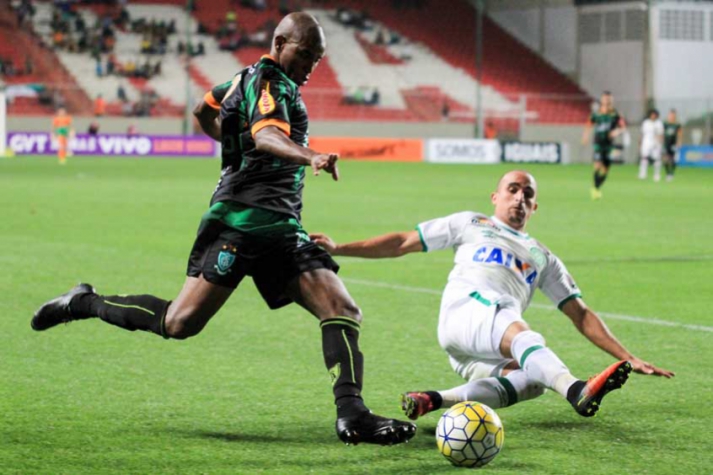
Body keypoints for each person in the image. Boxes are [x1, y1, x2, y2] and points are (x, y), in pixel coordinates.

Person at [32, 12, 416, 448]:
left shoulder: (241, 78)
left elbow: (202, 109)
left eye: (317, 59)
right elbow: (268, 134)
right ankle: (83, 302)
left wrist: (236, 154)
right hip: (241, 223)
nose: (311, 66)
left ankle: (354, 415)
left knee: (341, 308)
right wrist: (307, 155)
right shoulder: (270, 83)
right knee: (179, 323)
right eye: (304, 54)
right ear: (279, 42)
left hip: (282, 227)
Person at [311, 170, 674, 421]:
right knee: (524, 334)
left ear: (534, 208)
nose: (519, 198)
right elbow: (403, 242)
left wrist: (628, 357)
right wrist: (340, 247)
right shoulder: (472, 223)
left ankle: (436, 399)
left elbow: (580, 313)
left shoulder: (542, 257)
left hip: (476, 345)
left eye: (528, 194)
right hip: (466, 312)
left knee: (533, 380)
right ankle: (576, 389)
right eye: (513, 189)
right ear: (495, 197)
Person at [582, 92, 626, 200]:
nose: (607, 101)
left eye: (609, 99)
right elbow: (588, 125)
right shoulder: (596, 114)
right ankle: (595, 189)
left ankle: (596, 187)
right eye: (605, 98)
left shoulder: (615, 115)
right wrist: (585, 137)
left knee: (605, 170)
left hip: (609, 145)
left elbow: (623, 127)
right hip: (598, 144)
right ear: (602, 100)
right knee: (597, 165)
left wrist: (617, 131)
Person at [638, 109, 664, 182]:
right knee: (644, 158)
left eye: (654, 114)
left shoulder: (659, 123)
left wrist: (660, 143)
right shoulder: (645, 123)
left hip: (656, 143)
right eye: (652, 114)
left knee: (657, 159)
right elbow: (642, 134)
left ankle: (657, 174)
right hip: (646, 142)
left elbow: (661, 134)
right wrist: (640, 143)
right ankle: (643, 173)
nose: (653, 116)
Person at [663, 109, 683, 182]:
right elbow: (662, 133)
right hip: (666, 144)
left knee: (673, 159)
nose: (671, 116)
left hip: (673, 144)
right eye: (670, 115)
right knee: (665, 159)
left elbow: (680, 134)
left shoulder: (677, 125)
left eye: (673, 115)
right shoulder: (665, 124)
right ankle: (668, 173)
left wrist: (679, 142)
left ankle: (671, 173)